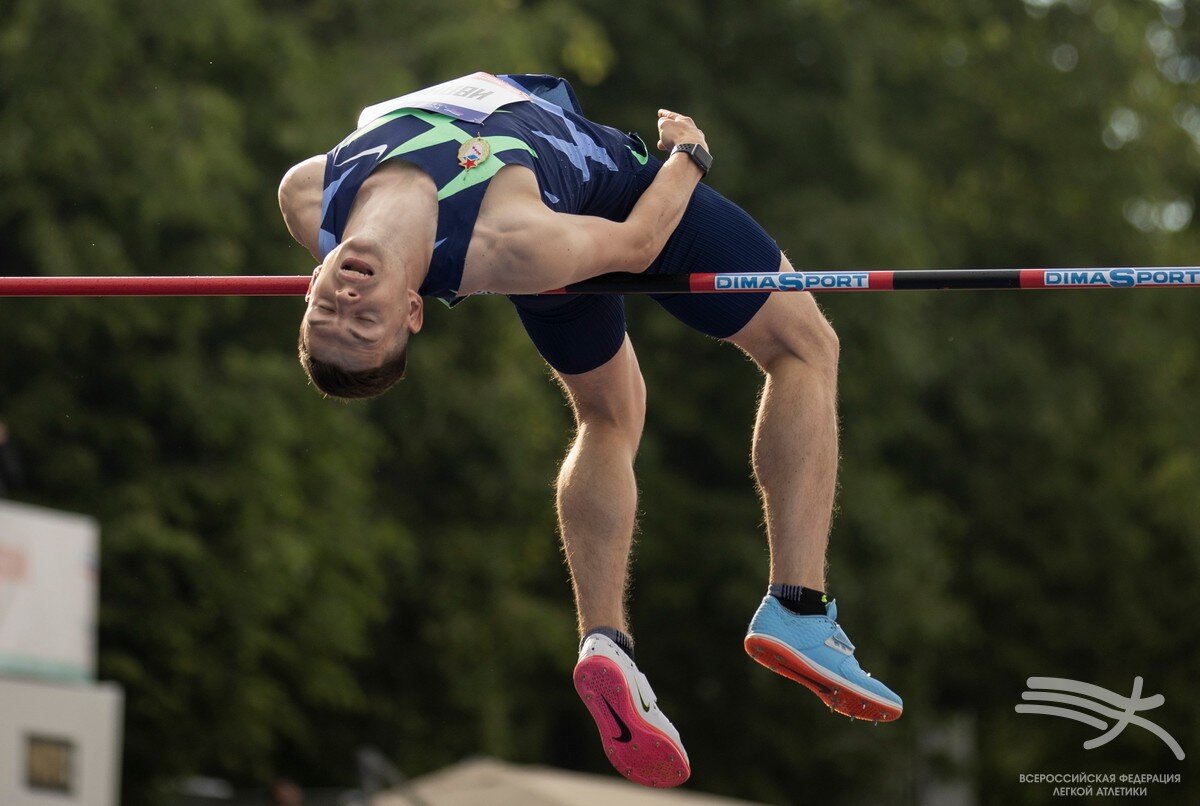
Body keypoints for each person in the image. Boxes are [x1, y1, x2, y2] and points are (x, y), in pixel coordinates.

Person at [277, 72, 901, 789]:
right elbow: (637, 244)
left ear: (312, 282)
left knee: (609, 411)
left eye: (331, 315)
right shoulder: (511, 245)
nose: (348, 302)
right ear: (413, 312)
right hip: (617, 198)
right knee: (806, 347)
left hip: (555, 203)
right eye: (367, 322)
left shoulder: (306, 196)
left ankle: (606, 643)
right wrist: (689, 157)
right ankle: (799, 605)